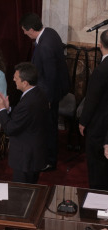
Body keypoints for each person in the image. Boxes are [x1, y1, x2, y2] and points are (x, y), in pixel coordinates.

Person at [20, 13, 69, 172]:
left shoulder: (45, 46)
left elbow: (51, 75)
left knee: (48, 127)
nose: (25, 34)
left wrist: (48, 99)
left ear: (32, 29)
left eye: (25, 31)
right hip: (54, 89)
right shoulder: (50, 32)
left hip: (49, 93)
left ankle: (49, 161)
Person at [0, 62, 49, 184]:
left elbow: (10, 128)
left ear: (25, 83)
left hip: (25, 158)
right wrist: (8, 109)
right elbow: (24, 118)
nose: (13, 80)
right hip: (35, 153)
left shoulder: (28, 103)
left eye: (16, 78)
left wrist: (0, 109)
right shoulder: (39, 93)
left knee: (22, 194)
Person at [79, 29, 108, 190]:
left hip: (100, 127)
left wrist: (83, 122)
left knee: (98, 171)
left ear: (100, 45)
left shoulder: (101, 71)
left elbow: (92, 101)